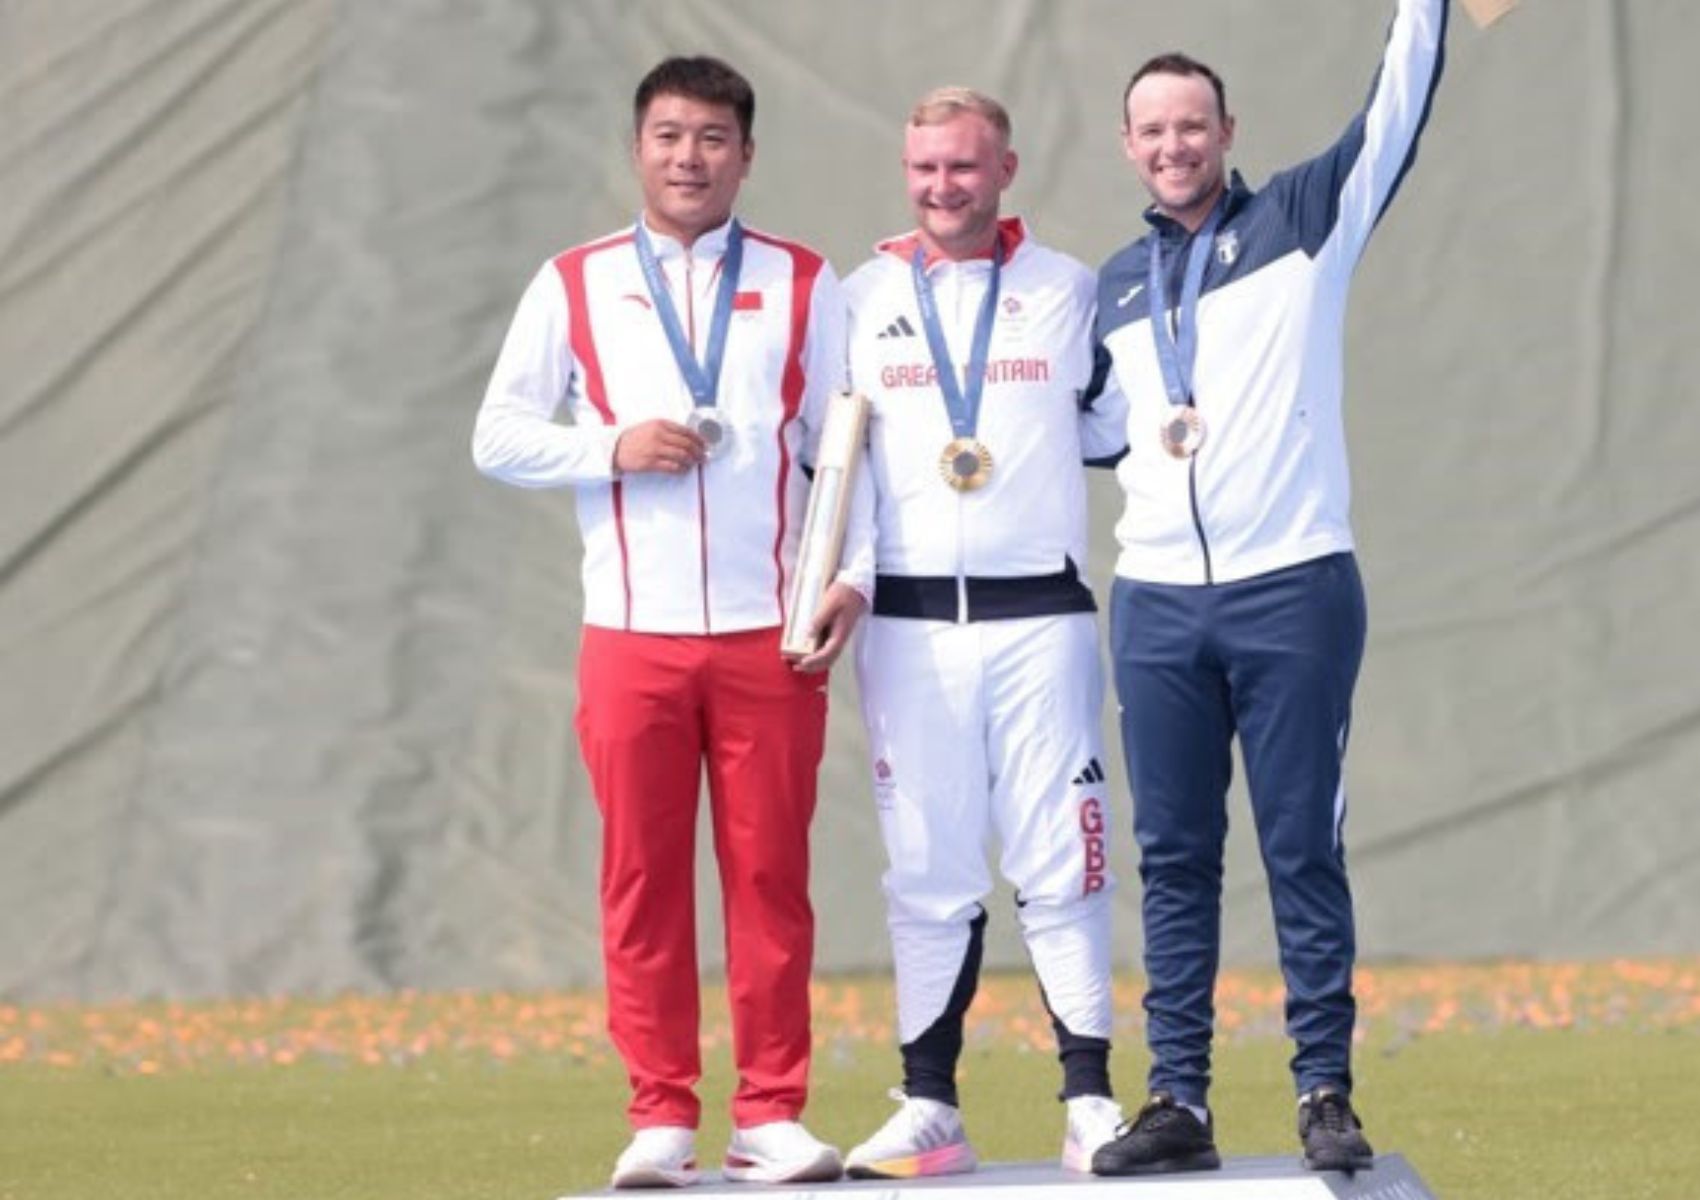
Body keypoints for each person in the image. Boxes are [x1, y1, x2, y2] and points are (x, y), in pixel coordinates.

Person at [471, 54, 872, 1189]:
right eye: (667, 136)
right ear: (635, 147)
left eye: (710, 138)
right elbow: (496, 437)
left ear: (745, 154)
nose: (687, 157)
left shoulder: (802, 280)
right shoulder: (573, 282)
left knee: (768, 881)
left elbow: (849, 450)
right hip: (631, 633)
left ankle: (770, 1113)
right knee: (641, 880)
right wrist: (610, 445)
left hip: (769, 633)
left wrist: (861, 576)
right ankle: (658, 1116)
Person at [1086, 0, 1448, 1177]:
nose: (1173, 146)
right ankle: (1177, 1100)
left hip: (1290, 584)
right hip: (1154, 600)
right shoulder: (1113, 287)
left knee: (1301, 844)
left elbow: (1396, 103)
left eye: (1192, 125)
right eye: (1152, 130)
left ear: (1225, 130)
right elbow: (1089, 432)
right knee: (1174, 856)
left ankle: (1322, 1090)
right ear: (1128, 145)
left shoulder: (1302, 219)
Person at [836, 87, 1128, 1179]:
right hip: (907, 626)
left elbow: (1113, 423)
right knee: (925, 871)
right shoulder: (858, 299)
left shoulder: (1066, 290)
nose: (941, 187)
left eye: (962, 168)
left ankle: (1090, 1099)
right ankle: (927, 1106)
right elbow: (836, 463)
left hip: (1039, 614)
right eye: (924, 169)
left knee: (1064, 863)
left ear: (1005, 168)